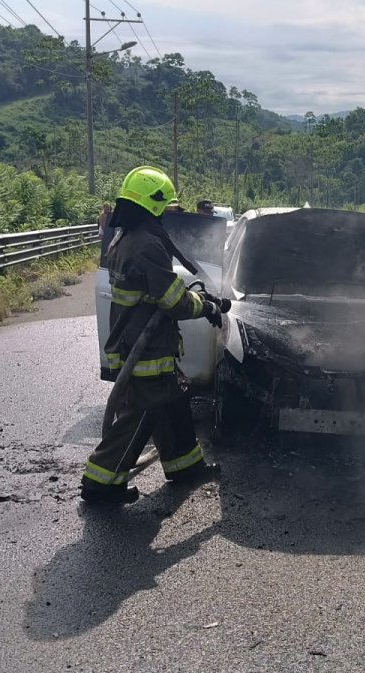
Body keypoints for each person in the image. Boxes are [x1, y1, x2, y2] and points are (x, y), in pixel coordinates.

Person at [82, 166, 225, 505]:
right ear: (154, 203)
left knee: (173, 401)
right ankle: (100, 482)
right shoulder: (145, 244)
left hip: (140, 342)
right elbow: (172, 300)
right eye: (166, 207)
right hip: (144, 349)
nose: (168, 213)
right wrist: (205, 307)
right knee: (143, 413)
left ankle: (184, 466)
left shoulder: (127, 236)